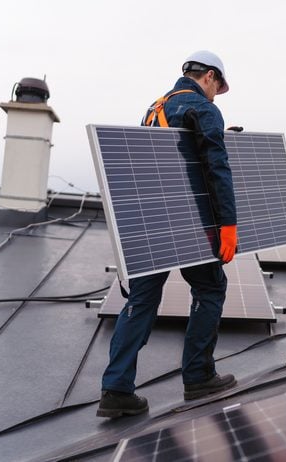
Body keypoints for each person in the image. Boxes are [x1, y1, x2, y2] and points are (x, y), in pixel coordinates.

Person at [97, 50, 238, 418]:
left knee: (141, 302)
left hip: (147, 223)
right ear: (208, 76)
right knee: (210, 288)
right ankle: (198, 376)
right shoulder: (202, 108)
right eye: (217, 86)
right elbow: (215, 166)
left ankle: (116, 390)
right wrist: (228, 224)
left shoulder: (154, 107)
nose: (216, 94)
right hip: (188, 222)